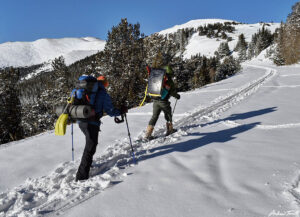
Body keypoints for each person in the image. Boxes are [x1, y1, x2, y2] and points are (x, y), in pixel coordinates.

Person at [75, 75, 126, 181]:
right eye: (106, 84)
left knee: (90, 145)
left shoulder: (84, 90)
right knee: (90, 147)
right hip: (92, 123)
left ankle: (87, 164)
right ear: (104, 84)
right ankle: (81, 176)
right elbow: (110, 111)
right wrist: (120, 111)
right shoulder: (102, 94)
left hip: (80, 120)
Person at [145, 64, 181, 140]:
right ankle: (170, 130)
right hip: (164, 101)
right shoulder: (169, 81)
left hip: (155, 100)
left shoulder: (158, 78)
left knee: (154, 116)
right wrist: (177, 96)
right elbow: (171, 92)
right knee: (168, 115)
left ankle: (148, 134)